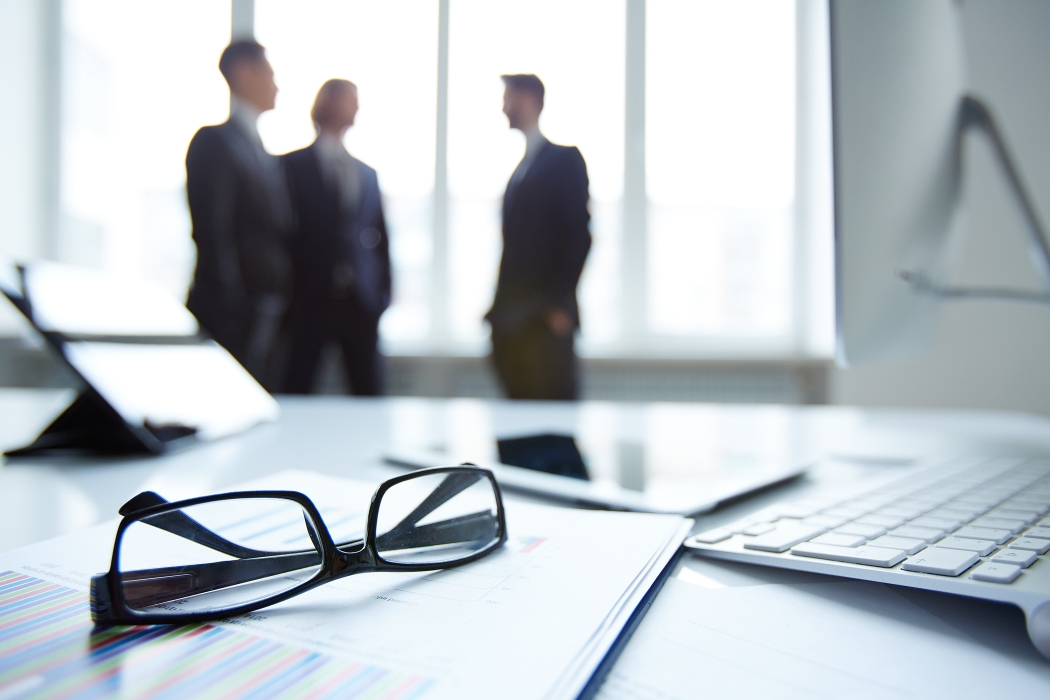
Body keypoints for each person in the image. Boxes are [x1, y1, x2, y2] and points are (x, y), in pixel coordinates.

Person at [185, 40, 293, 389]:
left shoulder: (260, 150)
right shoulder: (215, 142)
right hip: (233, 311)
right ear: (243, 73)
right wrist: (233, 303)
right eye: (270, 75)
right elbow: (213, 231)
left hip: (264, 309)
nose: (276, 85)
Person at [281, 80, 392, 395]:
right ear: (328, 103)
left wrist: (383, 293)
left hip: (360, 300)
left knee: (368, 390)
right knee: (297, 386)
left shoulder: (366, 173)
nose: (356, 107)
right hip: (310, 299)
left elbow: (382, 238)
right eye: (349, 100)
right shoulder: (291, 166)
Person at [486, 74, 592, 400]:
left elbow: (578, 237)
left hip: (543, 323)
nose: (504, 107)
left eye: (509, 98)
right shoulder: (522, 168)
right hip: (511, 323)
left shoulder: (563, 160)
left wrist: (557, 305)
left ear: (529, 99)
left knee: (552, 425)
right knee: (516, 425)